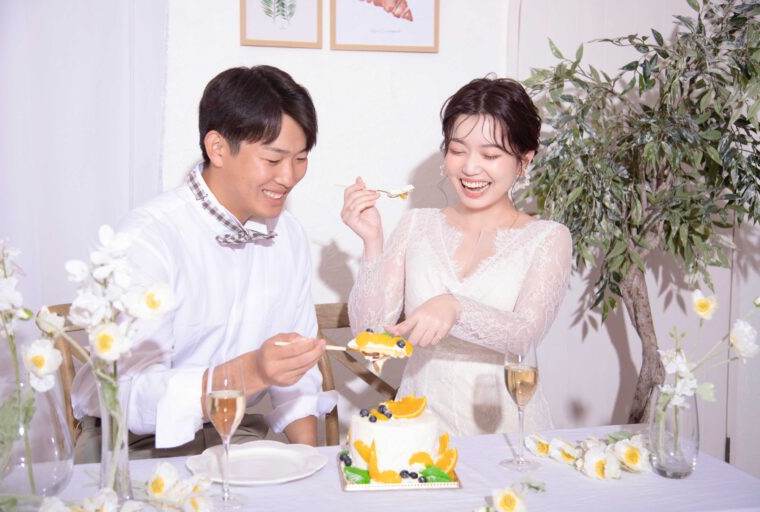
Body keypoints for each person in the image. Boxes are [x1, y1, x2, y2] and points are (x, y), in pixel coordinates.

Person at [72, 65, 336, 462]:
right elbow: (128, 395)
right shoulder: (148, 238)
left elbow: (297, 375)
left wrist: (307, 463)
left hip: (236, 430)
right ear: (217, 148)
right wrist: (251, 372)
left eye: (300, 159)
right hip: (132, 442)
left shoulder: (290, 235)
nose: (289, 177)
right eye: (273, 159)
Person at [341, 76, 572, 436]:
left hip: (505, 428)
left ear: (524, 161)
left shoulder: (547, 238)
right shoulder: (416, 225)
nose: (470, 168)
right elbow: (369, 334)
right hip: (420, 424)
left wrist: (456, 307)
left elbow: (525, 337)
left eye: (490, 155)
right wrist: (373, 242)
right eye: (457, 150)